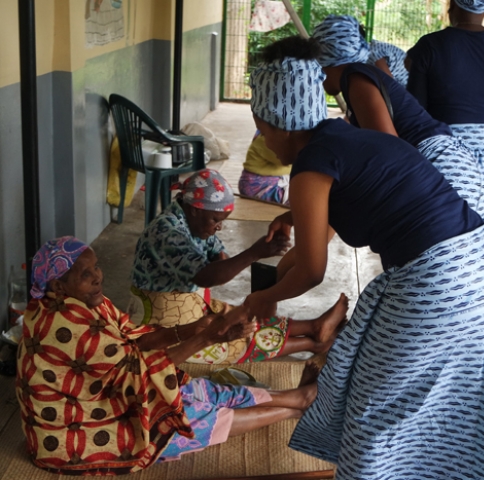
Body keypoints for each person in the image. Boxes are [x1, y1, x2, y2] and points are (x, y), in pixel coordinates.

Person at [244, 52, 484, 479]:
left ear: (270, 125)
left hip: (437, 281)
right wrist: (272, 286)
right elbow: (312, 244)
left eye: (259, 130)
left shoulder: (313, 166)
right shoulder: (350, 140)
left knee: (373, 408)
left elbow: (312, 269)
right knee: (451, 406)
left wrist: (262, 299)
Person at [16, 237, 321, 475]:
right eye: (86, 273)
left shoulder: (82, 302)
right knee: (184, 423)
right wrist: (206, 336)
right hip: (77, 430)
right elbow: (141, 372)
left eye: (95, 267)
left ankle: (295, 397)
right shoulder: (63, 326)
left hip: (105, 395)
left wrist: (195, 329)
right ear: (58, 285)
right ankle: (297, 407)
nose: (98, 276)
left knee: (195, 389)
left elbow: (139, 339)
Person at [129, 169, 347, 364]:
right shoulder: (168, 233)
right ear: (195, 209)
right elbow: (206, 277)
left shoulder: (193, 221)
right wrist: (254, 253)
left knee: (241, 316)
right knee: (235, 340)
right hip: (161, 321)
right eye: (215, 220)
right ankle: (313, 344)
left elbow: (219, 261)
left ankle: (313, 327)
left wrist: (230, 262)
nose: (219, 227)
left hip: (187, 304)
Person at [309, 15, 484, 223]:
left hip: (442, 168)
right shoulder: (360, 77)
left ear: (324, 59)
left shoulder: (355, 78)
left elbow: (390, 156)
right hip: (456, 170)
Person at [406, 0, 484, 247]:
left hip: (441, 151)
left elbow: (414, 112)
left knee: (438, 234)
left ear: (451, 5)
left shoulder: (429, 46)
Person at [238, 130, 291, 205]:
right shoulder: (265, 141)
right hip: (258, 187)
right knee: (303, 195)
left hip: (270, 181)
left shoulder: (268, 134)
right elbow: (286, 161)